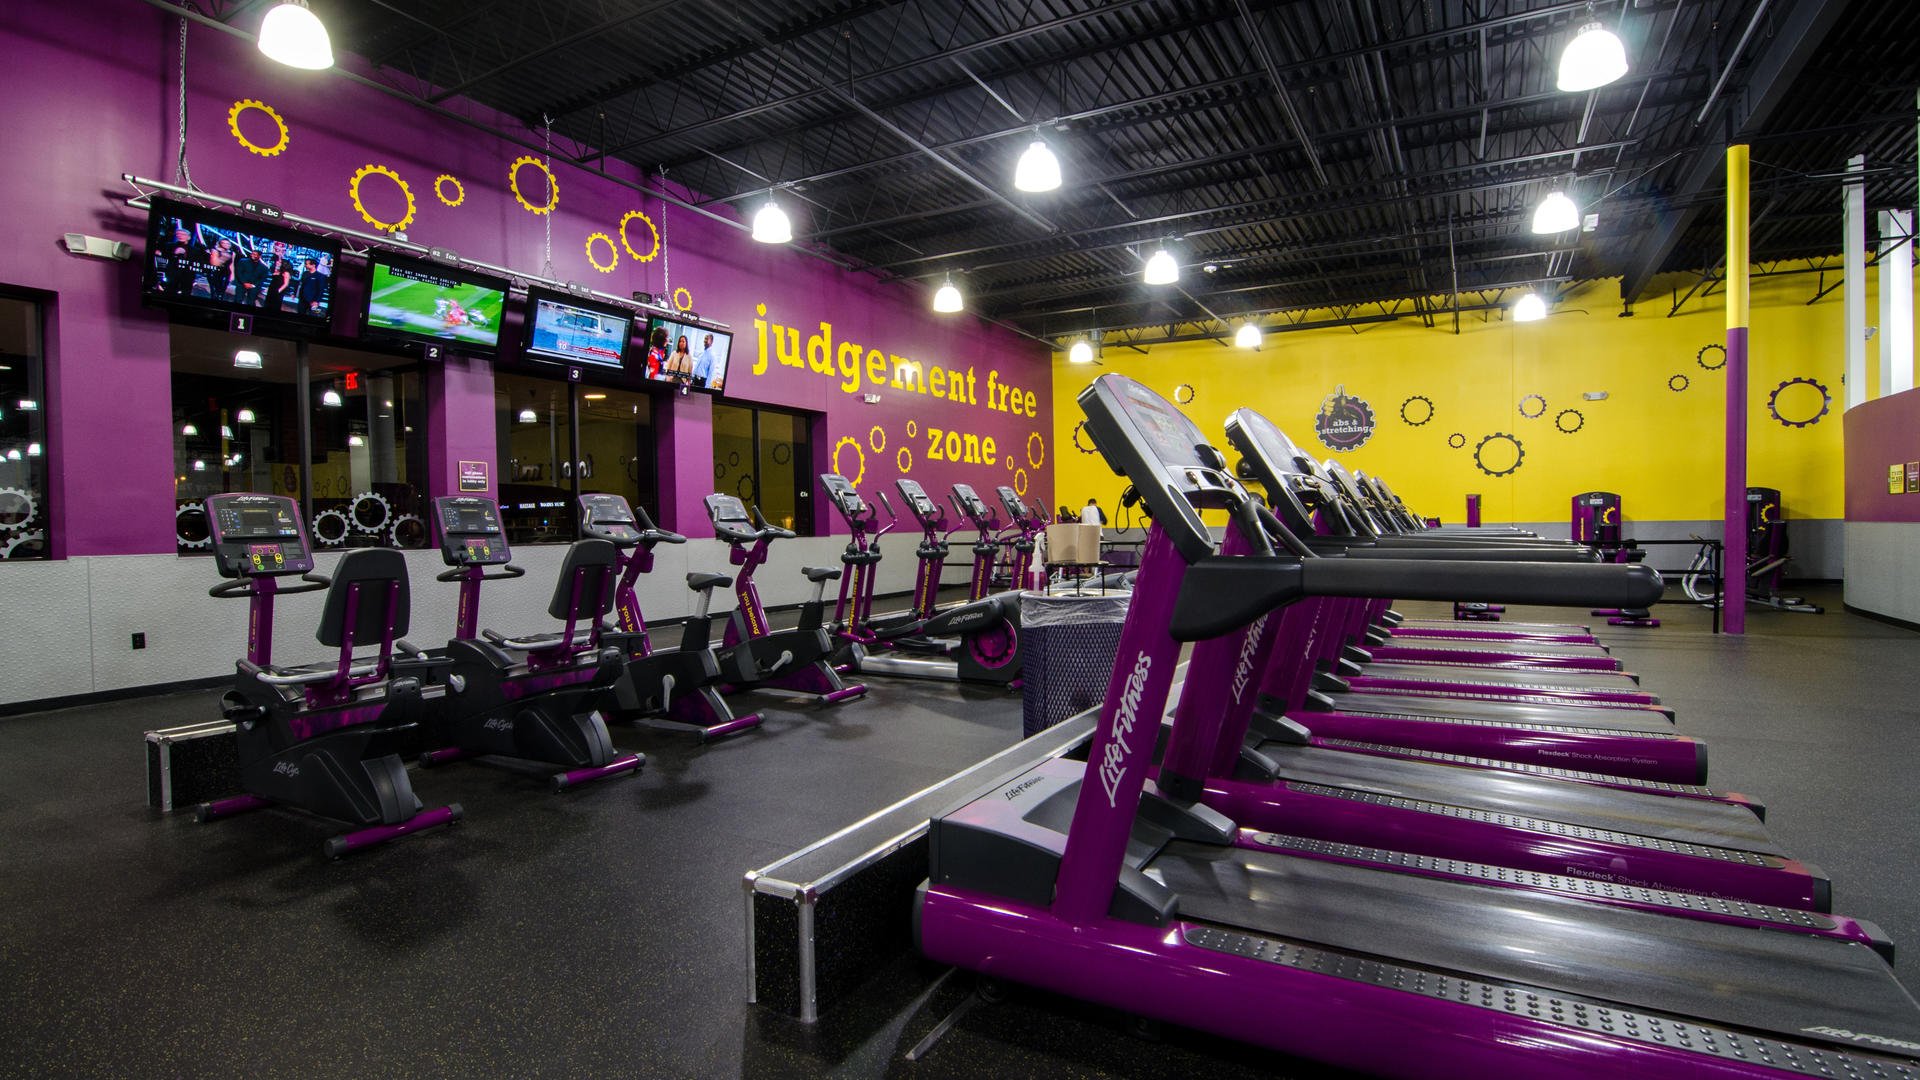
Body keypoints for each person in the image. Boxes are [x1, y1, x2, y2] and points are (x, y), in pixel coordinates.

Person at [204, 237, 235, 302]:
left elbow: (231, 264)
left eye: (228, 243)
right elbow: (214, 263)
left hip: (226, 273)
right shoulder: (214, 250)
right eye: (224, 243)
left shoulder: (232, 253)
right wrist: (223, 257)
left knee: (222, 291)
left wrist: (232, 274)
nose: (226, 245)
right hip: (214, 271)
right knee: (214, 290)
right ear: (220, 244)